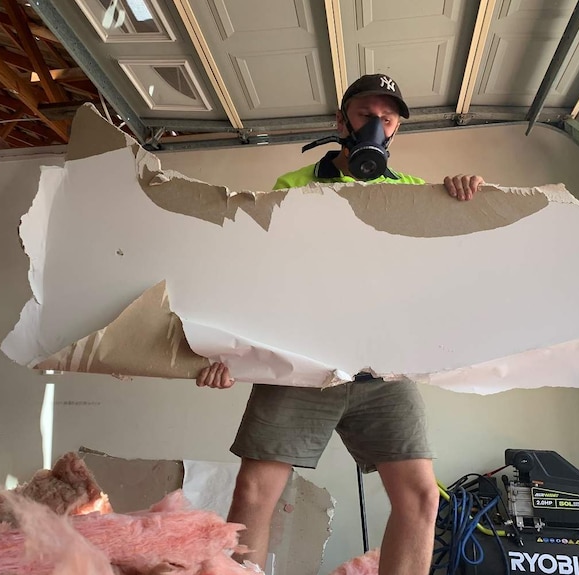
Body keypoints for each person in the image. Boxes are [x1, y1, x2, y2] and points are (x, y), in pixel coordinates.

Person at [196, 73, 484, 575]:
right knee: (255, 490)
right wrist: (227, 352)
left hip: (382, 372)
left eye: (387, 118)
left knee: (420, 497)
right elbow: (258, 278)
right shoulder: (296, 187)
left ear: (396, 130)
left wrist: (466, 197)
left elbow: (455, 262)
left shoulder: (417, 193)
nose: (376, 124)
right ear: (340, 121)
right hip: (303, 364)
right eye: (365, 115)